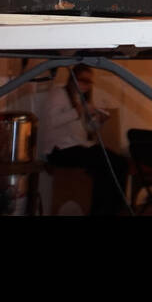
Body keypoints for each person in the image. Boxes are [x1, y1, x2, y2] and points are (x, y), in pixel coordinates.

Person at [38, 64, 129, 216]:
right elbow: (53, 121)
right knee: (105, 162)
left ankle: (114, 207)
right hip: (59, 150)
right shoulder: (59, 94)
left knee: (119, 162)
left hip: (77, 146)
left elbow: (88, 129)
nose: (87, 85)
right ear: (73, 79)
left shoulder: (79, 98)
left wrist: (99, 120)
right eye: (84, 81)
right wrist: (79, 109)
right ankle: (102, 210)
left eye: (89, 82)